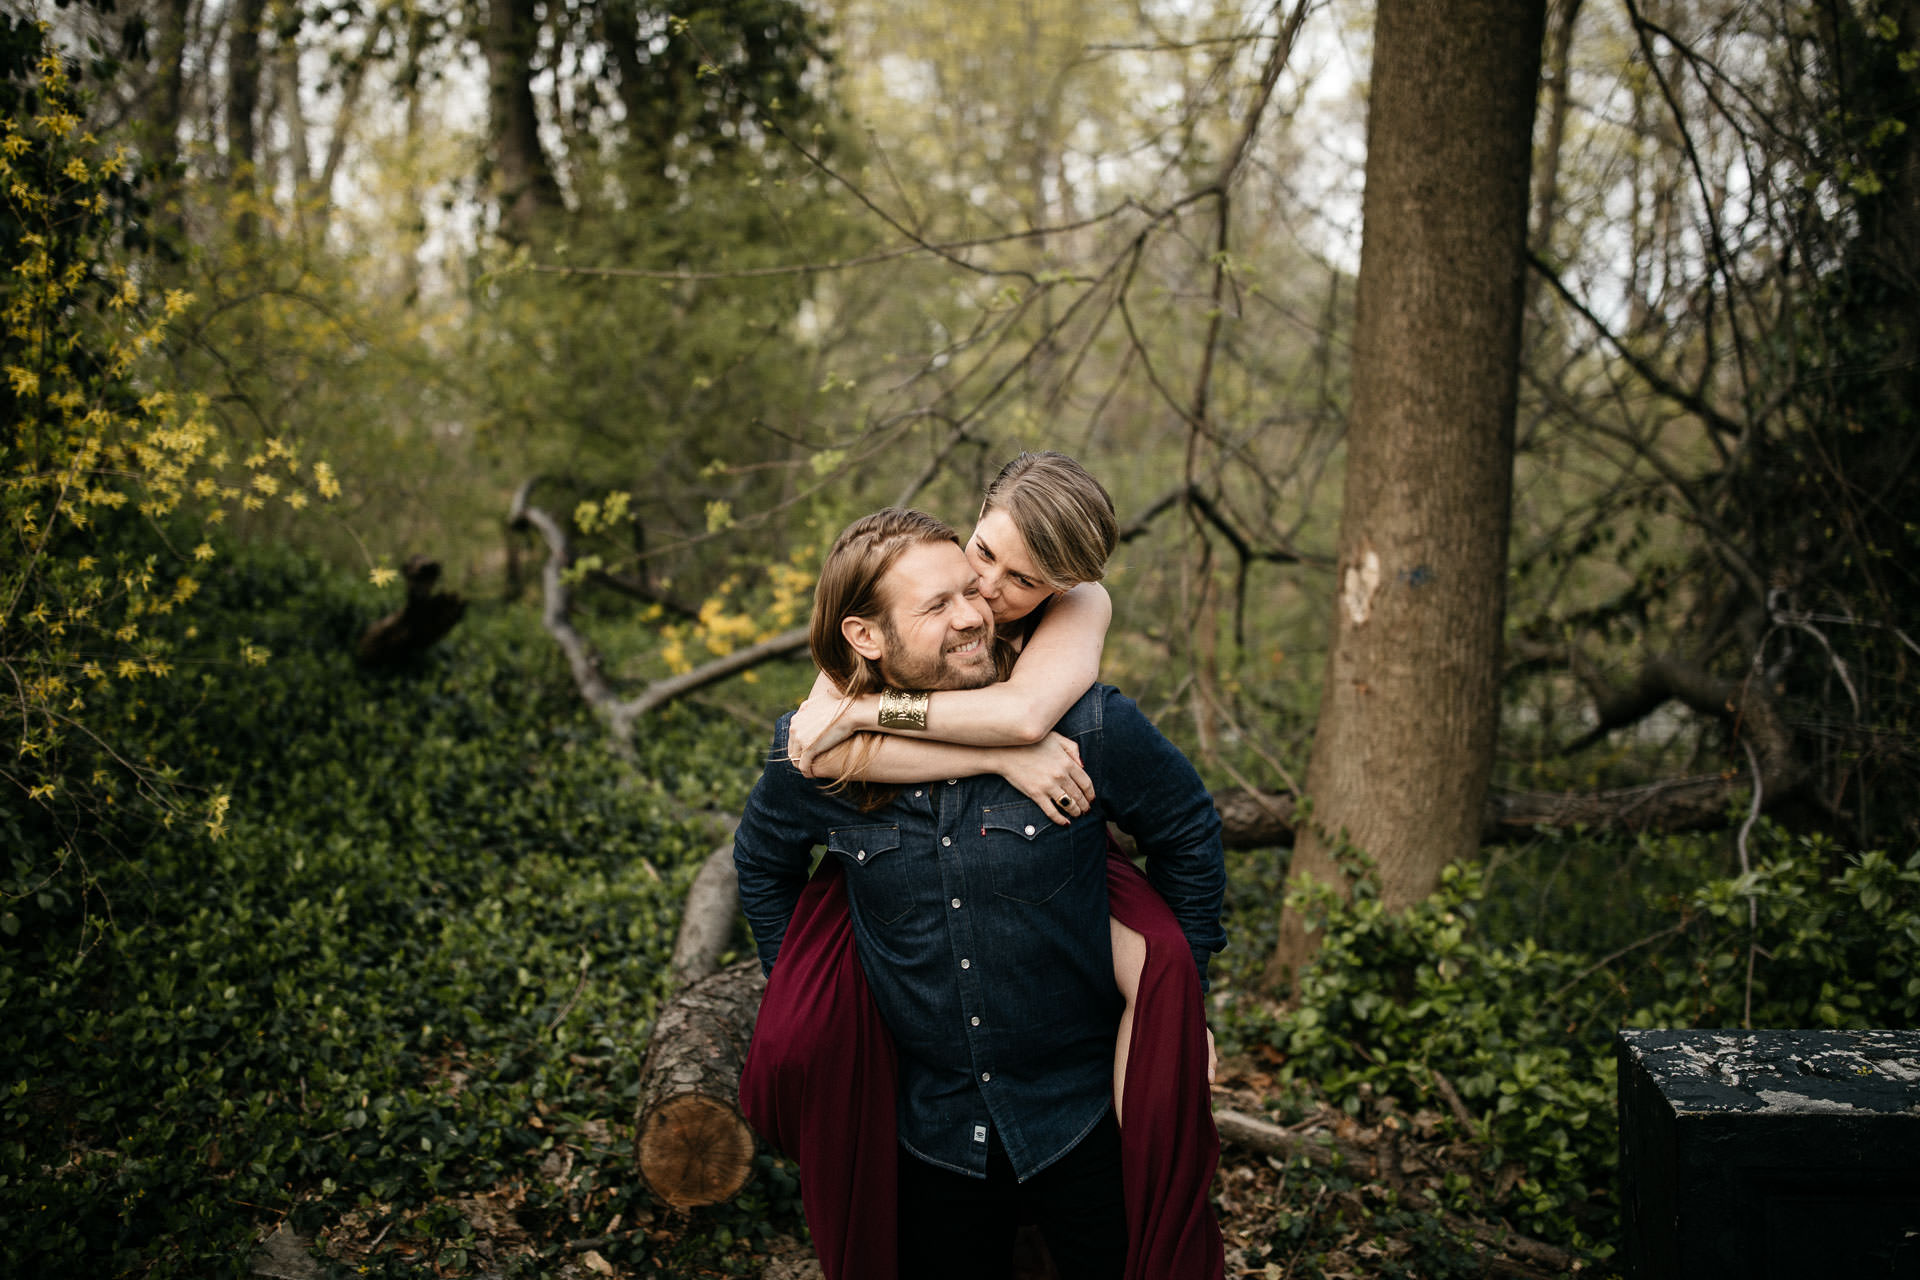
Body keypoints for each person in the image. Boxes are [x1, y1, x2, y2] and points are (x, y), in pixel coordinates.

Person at [734, 505, 1227, 1280]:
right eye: (938, 604)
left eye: (973, 590)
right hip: (929, 1131)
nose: (975, 613)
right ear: (867, 636)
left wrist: (1180, 997)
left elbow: (1189, 830)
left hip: (1084, 1115)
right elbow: (762, 862)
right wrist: (808, 996)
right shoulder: (817, 749)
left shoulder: (1087, 725)